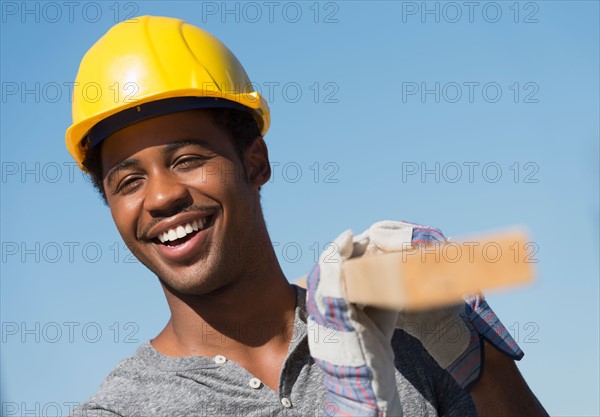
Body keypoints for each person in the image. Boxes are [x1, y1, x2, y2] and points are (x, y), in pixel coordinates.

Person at [66, 15, 548, 417]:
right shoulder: (121, 410)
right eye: (129, 182)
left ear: (255, 162)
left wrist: (473, 360)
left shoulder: (400, 338)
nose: (161, 196)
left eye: (188, 159)